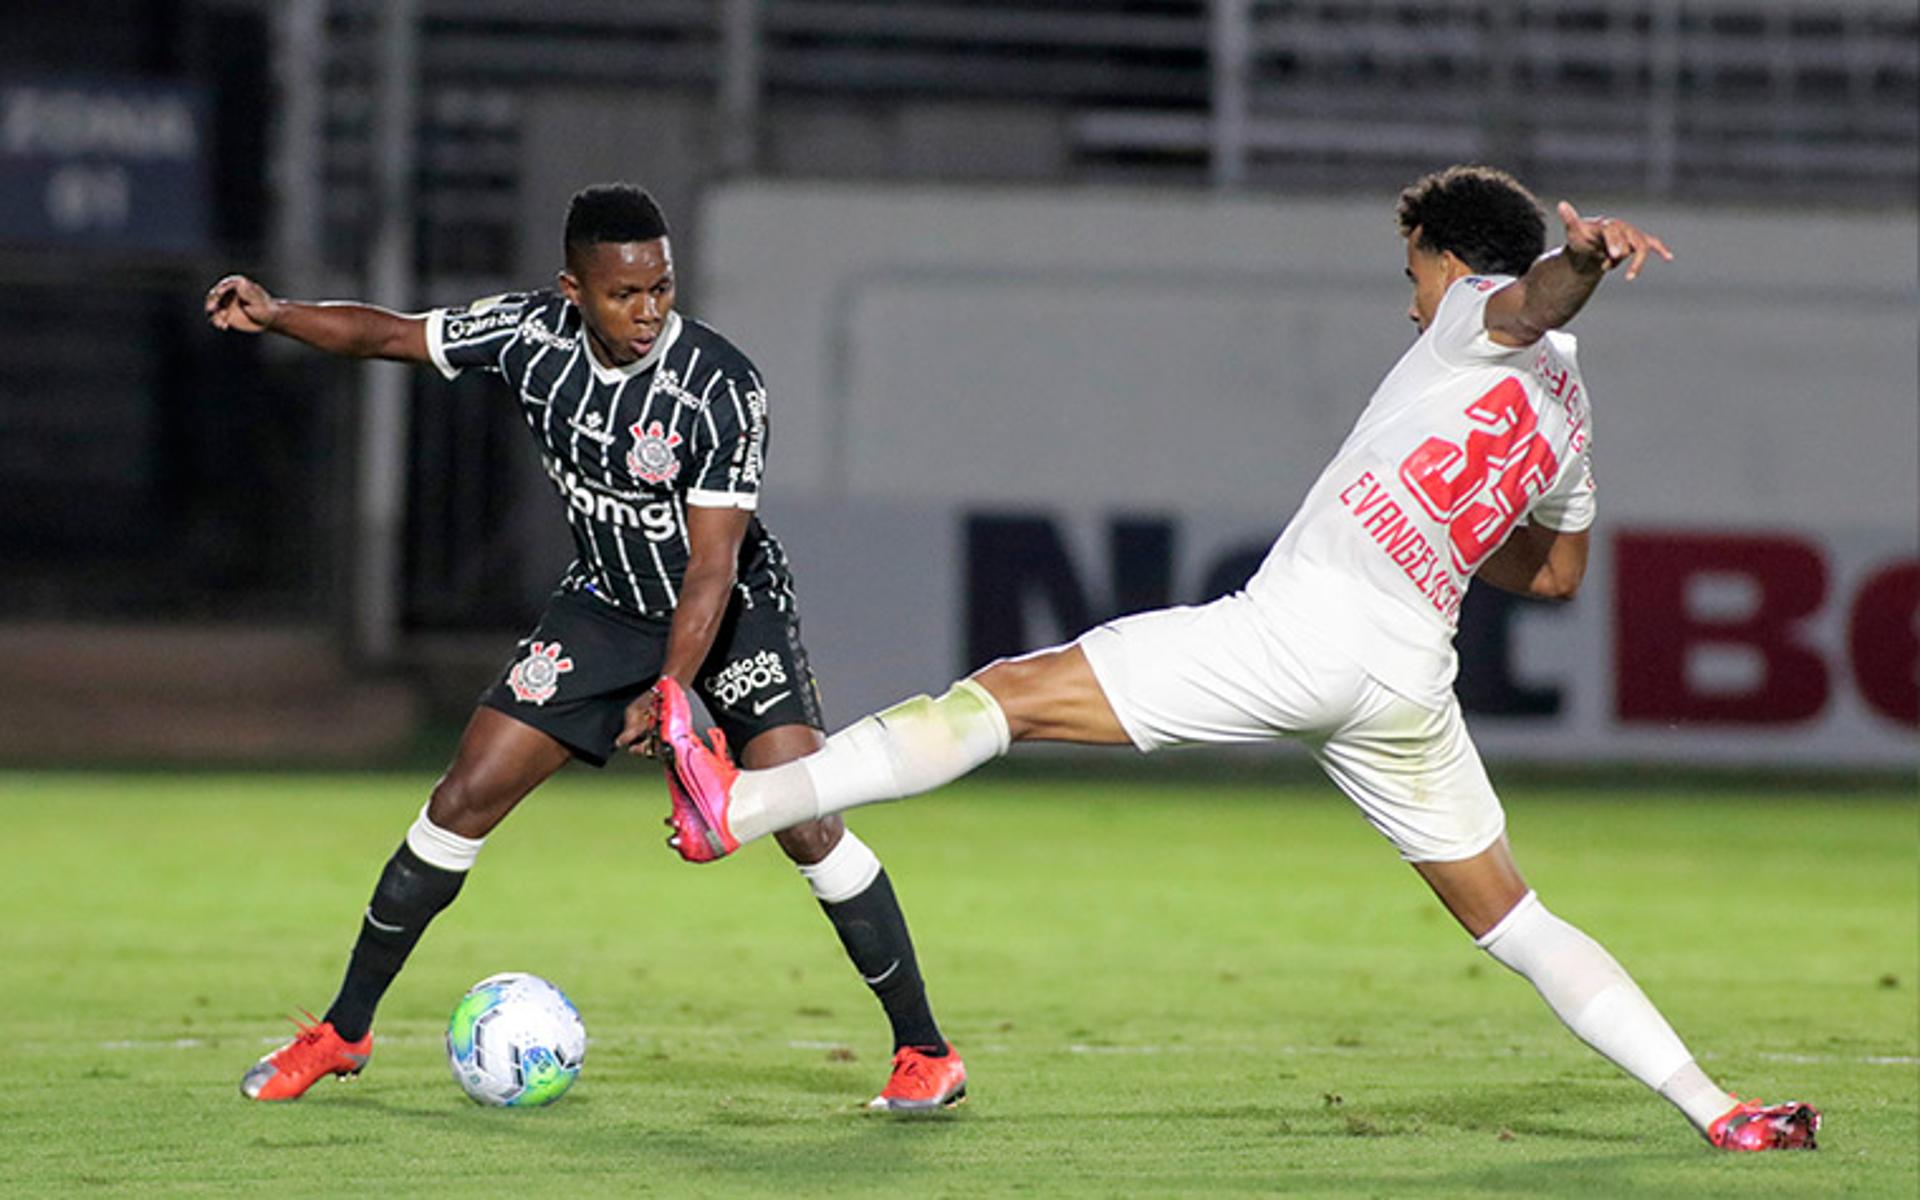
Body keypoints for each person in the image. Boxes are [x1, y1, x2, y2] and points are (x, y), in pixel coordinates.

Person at [647, 166, 1819, 1150]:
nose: (1412, 306)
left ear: (1459, 268)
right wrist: (1453, 537)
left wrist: (1590, 263)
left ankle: (740, 806)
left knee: (1007, 697)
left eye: (1413, 274)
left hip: (1298, 635)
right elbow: (1557, 577)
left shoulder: (1483, 312)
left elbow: (1528, 305)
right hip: (1409, 683)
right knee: (1515, 919)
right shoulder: (1570, 410)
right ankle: (1719, 1111)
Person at [205, 183, 966, 1111]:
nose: (648, 310)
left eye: (662, 287)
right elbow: (392, 335)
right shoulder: (528, 334)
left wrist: (673, 693)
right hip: (605, 607)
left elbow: (713, 567)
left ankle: (925, 1051)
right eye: (624, 293)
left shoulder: (723, 387)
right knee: (462, 797)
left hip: (729, 614)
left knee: (807, 816)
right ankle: (342, 1033)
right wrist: (279, 314)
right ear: (574, 289)